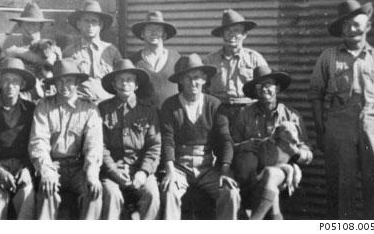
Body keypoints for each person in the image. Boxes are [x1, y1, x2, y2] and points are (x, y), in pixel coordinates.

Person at [309, 0, 374, 220]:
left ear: (367, 26)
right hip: (339, 128)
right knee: (341, 187)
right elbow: (315, 95)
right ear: (341, 30)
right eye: (346, 25)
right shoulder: (328, 57)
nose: (351, 29)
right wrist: (321, 130)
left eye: (357, 24)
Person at [159, 54, 240, 220]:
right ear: (180, 81)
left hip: (208, 168)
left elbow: (225, 139)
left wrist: (224, 170)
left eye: (197, 78)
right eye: (187, 78)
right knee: (169, 192)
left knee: (230, 193)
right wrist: (170, 170)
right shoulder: (170, 105)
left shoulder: (214, 104)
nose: (192, 82)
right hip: (179, 168)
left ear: (204, 79)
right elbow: (167, 140)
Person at [231, 66, 313, 220]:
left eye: (268, 85)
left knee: (270, 174)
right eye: (259, 86)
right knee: (266, 186)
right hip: (252, 173)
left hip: (282, 170)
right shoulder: (244, 115)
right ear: (255, 91)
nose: (264, 89)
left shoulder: (291, 116)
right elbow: (229, 148)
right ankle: (275, 218)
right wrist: (244, 146)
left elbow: (307, 152)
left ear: (278, 88)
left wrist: (294, 151)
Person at [31, 59, 103, 219]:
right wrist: (46, 172)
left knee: (94, 191)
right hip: (53, 165)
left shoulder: (89, 108)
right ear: (54, 83)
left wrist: (92, 172)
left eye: (69, 81)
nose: (64, 86)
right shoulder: (44, 106)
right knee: (46, 190)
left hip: (79, 167)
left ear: (77, 82)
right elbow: (38, 142)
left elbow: (94, 144)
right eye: (60, 81)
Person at [98, 59, 161, 220]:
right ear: (113, 84)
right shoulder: (103, 110)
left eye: (129, 79)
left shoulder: (148, 111)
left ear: (136, 85)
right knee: (111, 196)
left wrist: (143, 172)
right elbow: (100, 145)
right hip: (112, 170)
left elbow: (154, 146)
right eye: (120, 79)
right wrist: (113, 171)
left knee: (152, 195)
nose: (125, 84)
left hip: (139, 168)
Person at [0, 57, 37, 219]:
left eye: (15, 81)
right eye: (6, 80)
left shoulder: (31, 111)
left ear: (22, 85)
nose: (10, 86)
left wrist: (27, 169)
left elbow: (35, 144)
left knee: (27, 193)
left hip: (22, 167)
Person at [202, 9, 268, 121]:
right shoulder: (210, 61)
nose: (232, 35)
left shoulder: (255, 59)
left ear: (244, 35)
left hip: (249, 112)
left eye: (236, 30)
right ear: (222, 34)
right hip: (219, 111)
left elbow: (267, 87)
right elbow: (201, 91)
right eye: (228, 31)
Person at [61, 0, 121, 102]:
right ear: (79, 24)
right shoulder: (69, 52)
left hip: (107, 103)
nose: (90, 25)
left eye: (94, 21)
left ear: (100, 25)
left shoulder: (111, 51)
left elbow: (121, 78)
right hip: (80, 105)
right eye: (86, 21)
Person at [2, 1, 60, 100]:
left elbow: (49, 61)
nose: (30, 28)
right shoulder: (12, 49)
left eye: (34, 25)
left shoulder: (49, 46)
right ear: (20, 26)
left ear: (40, 26)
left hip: (46, 98)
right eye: (27, 24)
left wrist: (17, 52)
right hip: (22, 97)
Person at [127, 11, 181, 108]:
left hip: (171, 117)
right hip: (143, 118)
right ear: (142, 34)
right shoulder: (133, 61)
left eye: (158, 29)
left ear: (164, 34)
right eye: (149, 29)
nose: (154, 33)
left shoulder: (176, 58)